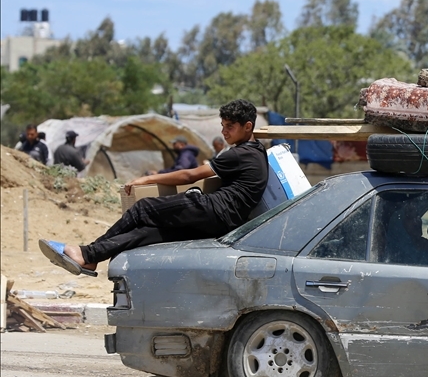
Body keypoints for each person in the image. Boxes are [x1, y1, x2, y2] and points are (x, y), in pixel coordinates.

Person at [39, 99, 269, 277]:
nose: (224, 132)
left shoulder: (240, 153)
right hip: (223, 222)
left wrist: (146, 180)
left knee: (143, 208)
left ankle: (87, 254)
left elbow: (190, 175)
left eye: (230, 126)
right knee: (147, 233)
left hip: (213, 209)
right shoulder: (256, 151)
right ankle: (90, 257)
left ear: (248, 126)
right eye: (222, 126)